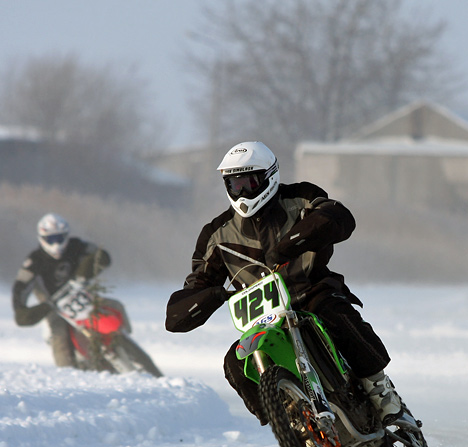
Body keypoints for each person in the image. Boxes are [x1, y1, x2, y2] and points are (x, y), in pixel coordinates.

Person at [164, 141, 403, 427]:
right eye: (235, 185)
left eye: (249, 183)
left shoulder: (301, 197)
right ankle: (290, 422)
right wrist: (207, 296)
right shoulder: (215, 234)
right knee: (234, 362)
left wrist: (293, 243)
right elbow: (197, 282)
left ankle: (378, 386)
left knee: (335, 313)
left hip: (311, 291)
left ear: (270, 176)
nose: (242, 192)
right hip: (263, 318)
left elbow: (336, 216)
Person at [12, 213, 112, 367]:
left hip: (81, 292)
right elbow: (20, 287)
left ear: (66, 235)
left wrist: (85, 273)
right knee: (60, 335)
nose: (56, 244)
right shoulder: (34, 261)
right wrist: (20, 309)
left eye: (59, 238)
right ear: (42, 238)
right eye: (50, 239)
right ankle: (67, 371)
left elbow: (100, 254)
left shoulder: (77, 245)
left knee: (113, 306)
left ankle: (123, 339)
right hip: (54, 306)